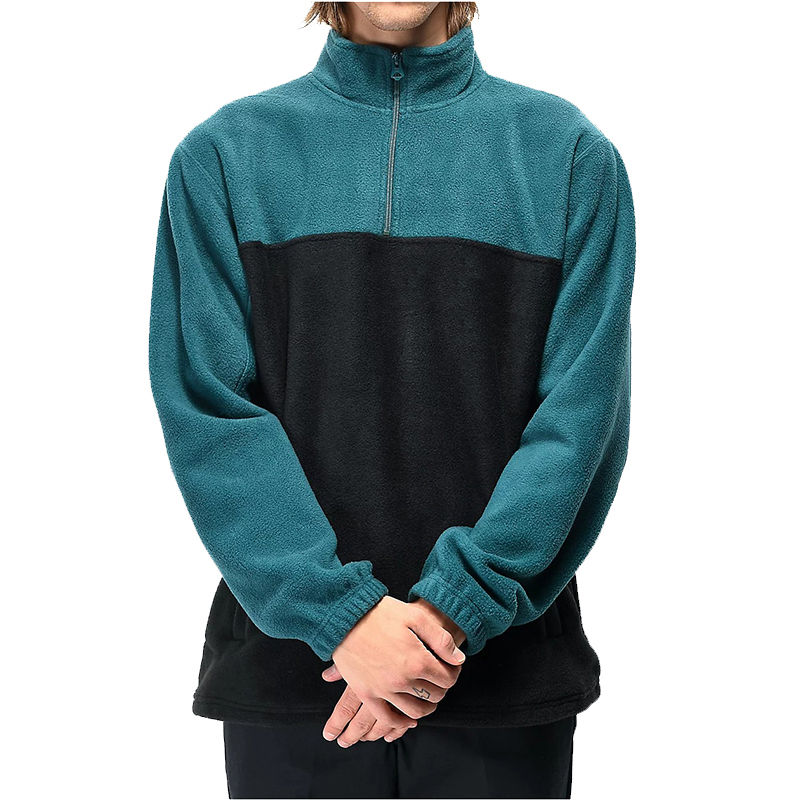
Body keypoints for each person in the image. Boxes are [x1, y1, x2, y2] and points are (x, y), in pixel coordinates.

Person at [148, 1, 636, 797]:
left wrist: (449, 614)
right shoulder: (225, 157)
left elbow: (581, 420)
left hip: (500, 683)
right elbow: (209, 408)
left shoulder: (569, 156)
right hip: (295, 682)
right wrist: (339, 616)